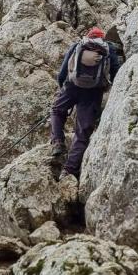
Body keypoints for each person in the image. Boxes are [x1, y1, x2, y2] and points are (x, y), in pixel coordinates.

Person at [50, 27, 121, 180]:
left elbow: (63, 72)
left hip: (72, 87)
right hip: (93, 92)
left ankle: (57, 142)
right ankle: (69, 171)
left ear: (88, 37)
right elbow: (116, 71)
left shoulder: (78, 46)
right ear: (102, 38)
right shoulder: (108, 49)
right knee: (82, 133)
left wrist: (63, 87)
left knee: (57, 110)